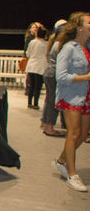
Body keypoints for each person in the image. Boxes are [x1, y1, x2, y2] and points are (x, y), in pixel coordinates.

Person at [52, 12, 90, 192]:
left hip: (85, 96)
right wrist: (86, 77)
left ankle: (61, 161)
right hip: (71, 96)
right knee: (73, 134)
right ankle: (72, 175)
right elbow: (61, 77)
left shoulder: (87, 46)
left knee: (82, 135)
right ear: (79, 27)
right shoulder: (68, 48)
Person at [41, 19, 67, 136]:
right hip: (55, 74)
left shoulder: (54, 43)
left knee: (49, 100)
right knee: (53, 102)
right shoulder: (61, 45)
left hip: (49, 72)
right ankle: (49, 127)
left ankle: (46, 124)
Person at [25, 26, 48, 108]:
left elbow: (28, 53)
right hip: (40, 66)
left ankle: (29, 102)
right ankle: (35, 104)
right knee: (38, 86)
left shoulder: (32, 42)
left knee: (31, 85)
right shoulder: (46, 44)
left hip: (31, 65)